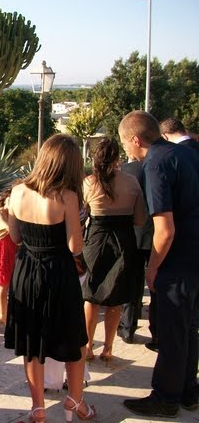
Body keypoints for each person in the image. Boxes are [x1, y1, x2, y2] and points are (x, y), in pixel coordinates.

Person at [5, 134, 95, 423]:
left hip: (26, 272)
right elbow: (75, 247)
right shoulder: (67, 197)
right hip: (58, 273)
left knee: (32, 342)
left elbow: (15, 237)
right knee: (74, 338)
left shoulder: (17, 191)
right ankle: (75, 399)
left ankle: (38, 407)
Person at [119, 111, 199, 418]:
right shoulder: (185, 152)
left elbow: (164, 229)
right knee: (188, 329)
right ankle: (188, 391)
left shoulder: (155, 163)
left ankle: (166, 398)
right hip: (194, 255)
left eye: (125, 142)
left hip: (176, 261)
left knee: (170, 333)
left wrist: (151, 269)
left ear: (135, 140)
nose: (125, 148)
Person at [81, 138, 145, 362]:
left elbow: (82, 214)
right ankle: (107, 348)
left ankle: (88, 346)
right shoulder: (131, 182)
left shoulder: (89, 182)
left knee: (91, 296)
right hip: (123, 240)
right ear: (117, 157)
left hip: (96, 240)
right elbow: (139, 220)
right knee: (116, 297)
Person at [117, 158, 155, 348]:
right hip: (158, 230)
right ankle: (157, 331)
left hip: (135, 231)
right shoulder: (163, 166)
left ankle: (127, 327)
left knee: (133, 282)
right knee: (157, 284)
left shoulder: (128, 170)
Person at [0, 185, 18, 325]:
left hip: (10, 249)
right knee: (2, 284)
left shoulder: (10, 213)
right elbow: (10, 229)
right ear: (5, 199)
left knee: (3, 284)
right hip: (3, 250)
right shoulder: (0, 213)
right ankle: (3, 315)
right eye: (11, 199)